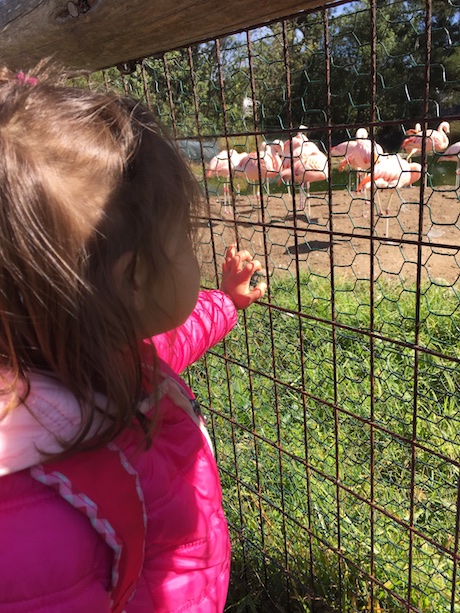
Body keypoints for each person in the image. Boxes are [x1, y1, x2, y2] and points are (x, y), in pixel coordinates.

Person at [0, 65, 267, 612]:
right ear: (136, 277)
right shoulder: (33, 520)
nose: (194, 250)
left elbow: (175, 339)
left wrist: (225, 301)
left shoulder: (90, 349)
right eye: (186, 240)